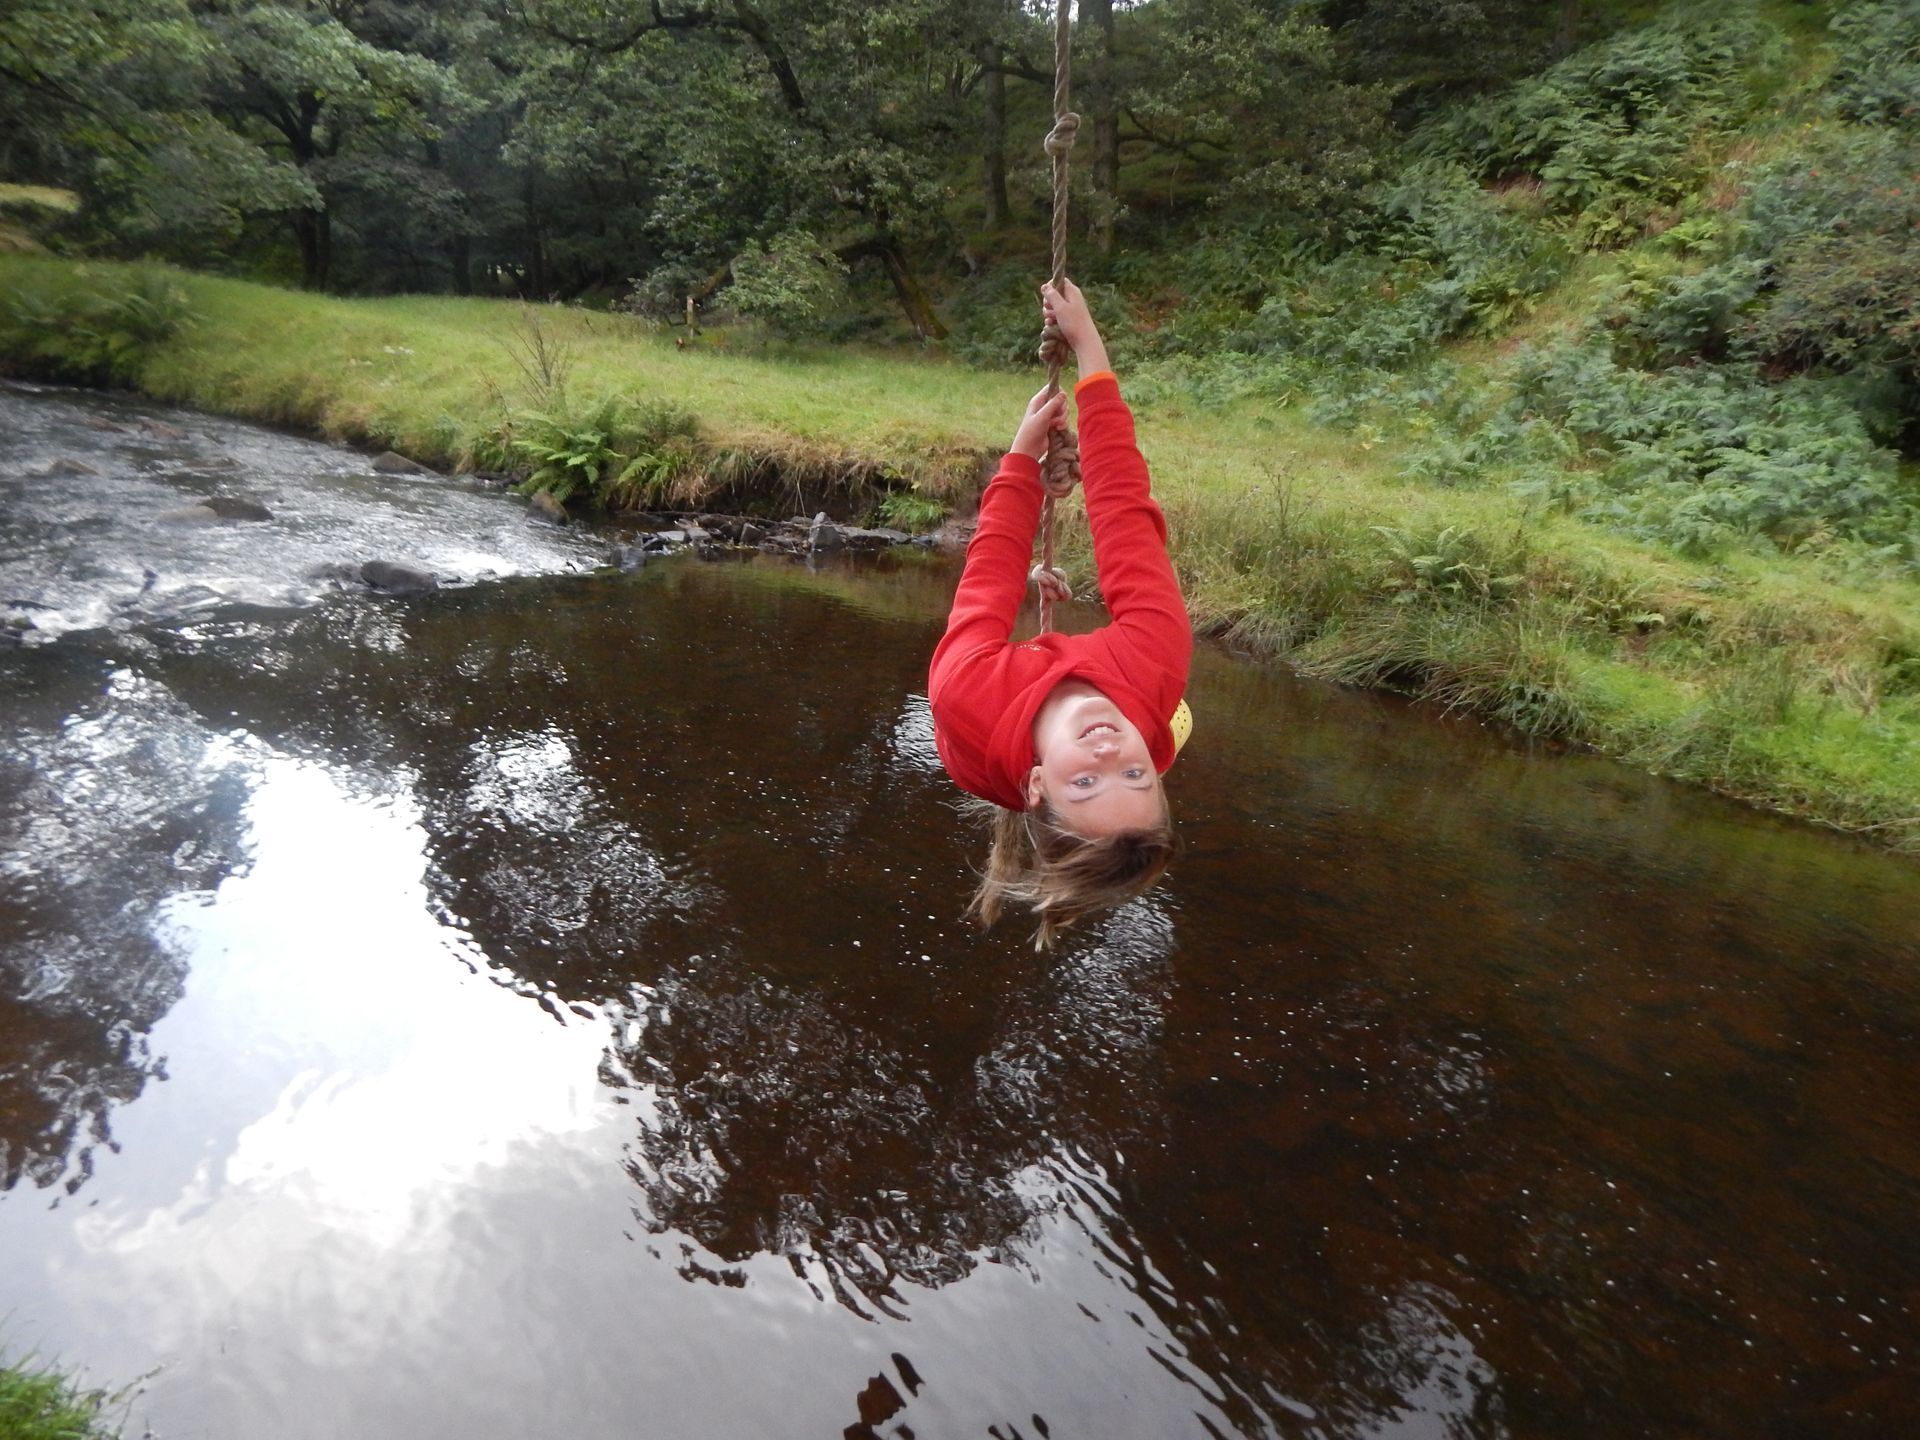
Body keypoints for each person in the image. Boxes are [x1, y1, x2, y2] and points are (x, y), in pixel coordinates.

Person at [929, 279, 1193, 948]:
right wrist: (1089, 350)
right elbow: (1125, 514)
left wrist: (1022, 458)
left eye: (1086, 781)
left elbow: (989, 570)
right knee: (1174, 713)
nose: (1109, 751)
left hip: (985, 732)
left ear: (1041, 785)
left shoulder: (966, 694)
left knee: (988, 665)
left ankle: (1057, 752)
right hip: (1115, 688)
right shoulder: (1154, 671)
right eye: (1135, 773)